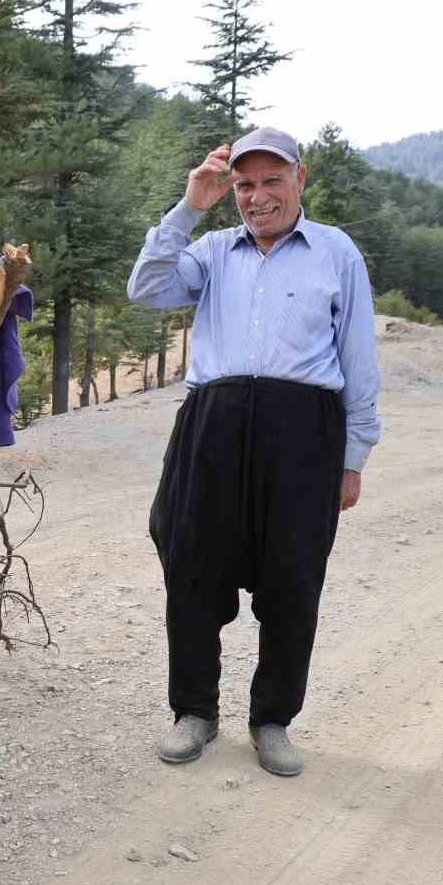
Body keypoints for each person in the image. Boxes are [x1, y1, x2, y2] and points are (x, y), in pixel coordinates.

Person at [126, 126, 381, 777]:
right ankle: (194, 712)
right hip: (212, 423)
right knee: (188, 562)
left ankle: (272, 721)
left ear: (300, 178)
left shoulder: (336, 252)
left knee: (293, 577)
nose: (257, 196)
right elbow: (146, 289)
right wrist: (190, 205)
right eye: (243, 184)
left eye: (271, 180)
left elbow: (358, 358)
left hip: (304, 433)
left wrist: (352, 456)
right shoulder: (210, 250)